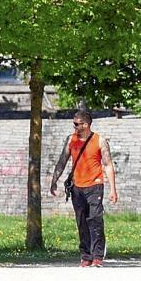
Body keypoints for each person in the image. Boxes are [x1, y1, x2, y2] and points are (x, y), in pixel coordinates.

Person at [50, 111, 118, 267]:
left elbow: (108, 165)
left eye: (76, 124)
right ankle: (85, 256)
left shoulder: (100, 141)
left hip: (95, 185)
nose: (74, 126)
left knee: (95, 219)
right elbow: (62, 162)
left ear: (86, 124)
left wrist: (113, 189)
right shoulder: (70, 140)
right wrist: (54, 181)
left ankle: (97, 256)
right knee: (81, 221)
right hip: (77, 186)